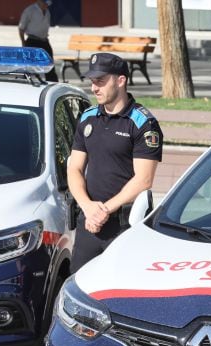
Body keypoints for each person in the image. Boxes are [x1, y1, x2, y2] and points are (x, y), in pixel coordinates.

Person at [68, 53, 163, 273]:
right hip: (89, 223)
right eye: (92, 82)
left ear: (121, 80)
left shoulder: (143, 124)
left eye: (100, 81)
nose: (94, 88)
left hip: (124, 225)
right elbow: (74, 168)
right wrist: (88, 207)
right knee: (77, 286)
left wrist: (104, 211)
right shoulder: (87, 118)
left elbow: (144, 179)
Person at [18, 0, 58, 82]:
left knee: (50, 65)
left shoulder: (47, 12)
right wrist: (23, 43)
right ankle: (25, 83)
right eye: (45, 3)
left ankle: (52, 84)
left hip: (44, 41)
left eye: (48, 4)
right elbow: (21, 28)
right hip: (32, 41)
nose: (47, 5)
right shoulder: (30, 10)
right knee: (28, 66)